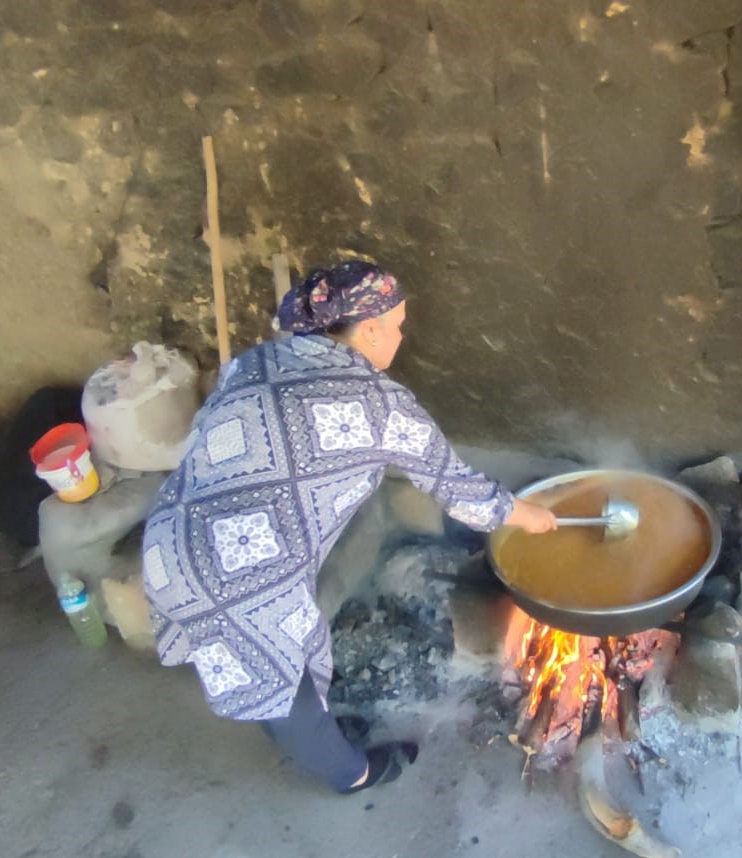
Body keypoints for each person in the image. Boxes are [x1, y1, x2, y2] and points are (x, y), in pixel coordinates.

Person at [142, 260, 556, 794]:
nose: (403, 336)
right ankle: (352, 773)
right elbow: (459, 490)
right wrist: (533, 517)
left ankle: (311, 730)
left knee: (265, 669)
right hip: (240, 581)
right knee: (283, 686)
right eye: (400, 325)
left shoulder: (257, 362)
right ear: (370, 329)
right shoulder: (379, 405)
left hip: (171, 539)